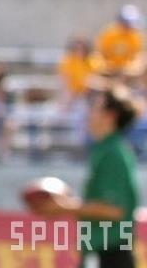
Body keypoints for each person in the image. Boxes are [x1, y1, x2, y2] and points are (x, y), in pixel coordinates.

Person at [37, 84, 140, 268]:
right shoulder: (105, 149)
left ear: (110, 116)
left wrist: (65, 206)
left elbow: (114, 210)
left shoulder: (113, 153)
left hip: (110, 252)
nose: (88, 113)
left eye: (94, 108)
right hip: (101, 251)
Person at [95, 5, 144, 78]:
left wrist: (129, 69)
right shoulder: (109, 33)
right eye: (126, 22)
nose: (129, 26)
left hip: (128, 74)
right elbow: (99, 54)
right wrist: (107, 67)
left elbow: (138, 57)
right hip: (109, 72)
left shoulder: (136, 36)